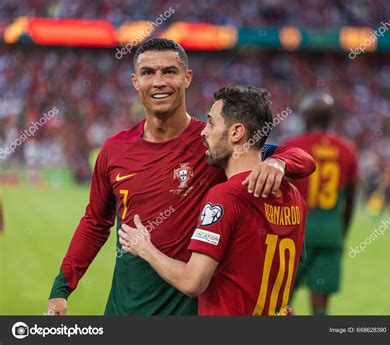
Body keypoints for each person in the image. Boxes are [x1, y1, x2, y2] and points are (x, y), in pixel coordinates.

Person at [47, 38, 315, 315]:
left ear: (187, 78)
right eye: (148, 72)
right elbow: (95, 222)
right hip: (123, 311)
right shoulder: (115, 150)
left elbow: (299, 158)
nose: (159, 81)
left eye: (169, 72)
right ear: (135, 81)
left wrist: (279, 163)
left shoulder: (213, 145)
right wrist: (61, 290)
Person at [119, 84, 307, 315]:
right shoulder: (295, 196)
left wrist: (144, 248)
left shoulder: (225, 195)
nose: (203, 131)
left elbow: (193, 282)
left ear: (236, 133)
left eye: (211, 122)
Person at [284, 91, 358, 315]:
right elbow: (350, 202)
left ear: (306, 117)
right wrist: (341, 235)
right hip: (330, 236)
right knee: (320, 311)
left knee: (279, 303)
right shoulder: (347, 150)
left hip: (295, 236)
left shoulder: (293, 146)